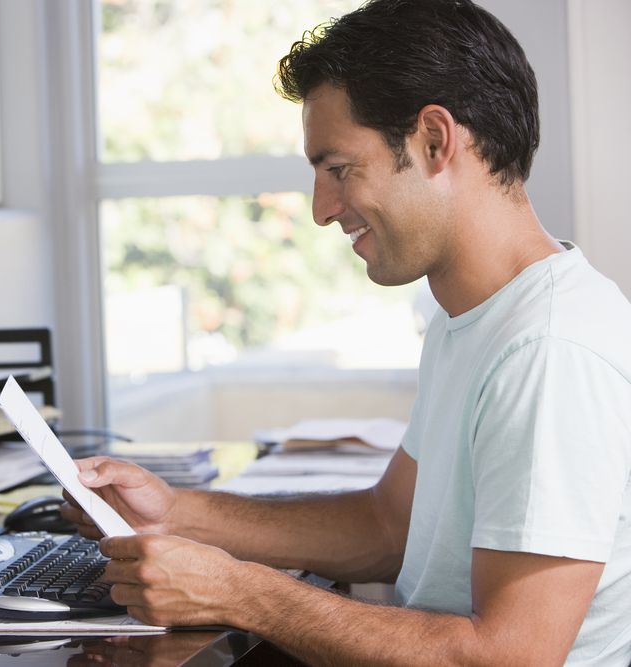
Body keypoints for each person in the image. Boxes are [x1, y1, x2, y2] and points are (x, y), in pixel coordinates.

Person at [60, 1, 631, 665]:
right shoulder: (476, 321)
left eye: (338, 169)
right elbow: (390, 524)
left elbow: (507, 656)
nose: (321, 210)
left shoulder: (548, 350)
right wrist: (176, 514)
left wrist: (241, 592)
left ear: (435, 141)